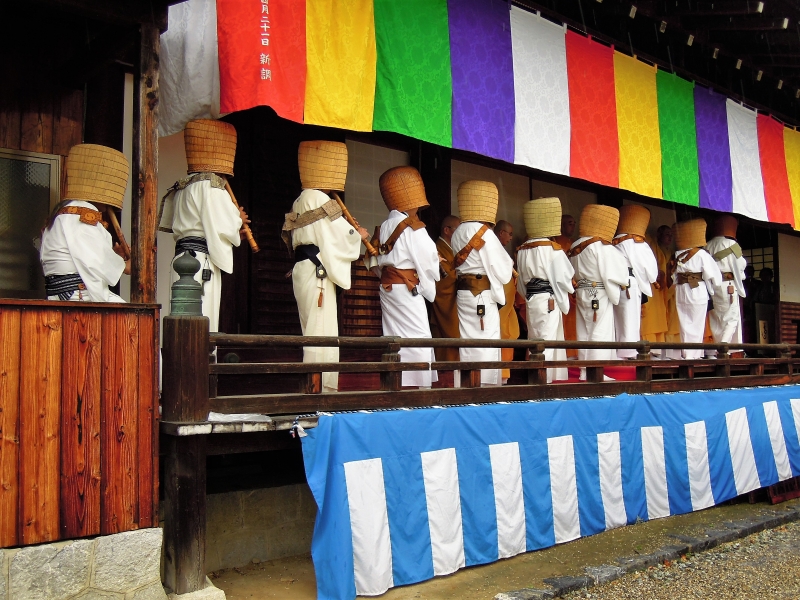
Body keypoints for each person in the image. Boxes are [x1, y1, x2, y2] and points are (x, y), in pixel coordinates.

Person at [283, 141, 369, 392]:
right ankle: (320, 389)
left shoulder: (300, 199)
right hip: (317, 271)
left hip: (304, 268)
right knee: (321, 331)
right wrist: (358, 234)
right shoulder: (320, 198)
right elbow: (338, 233)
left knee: (312, 329)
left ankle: (315, 385)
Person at [159, 119, 248, 332]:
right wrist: (239, 221)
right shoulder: (210, 185)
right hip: (199, 262)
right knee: (202, 319)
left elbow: (205, 223)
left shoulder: (183, 185)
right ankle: (199, 364)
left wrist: (235, 230)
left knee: (183, 321)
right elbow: (221, 224)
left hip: (182, 258)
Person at [371, 166, 440, 388]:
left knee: (393, 336)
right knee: (418, 336)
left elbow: (372, 261)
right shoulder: (413, 228)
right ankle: (421, 387)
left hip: (388, 288)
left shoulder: (383, 227)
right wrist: (427, 286)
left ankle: (396, 382)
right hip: (407, 288)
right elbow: (428, 259)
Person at [40, 144, 130, 302]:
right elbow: (96, 262)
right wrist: (127, 265)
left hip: (65, 295)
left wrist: (116, 257)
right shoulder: (81, 215)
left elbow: (85, 255)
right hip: (77, 296)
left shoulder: (65, 212)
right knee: (131, 321)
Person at [451, 181, 513, 386]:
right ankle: (484, 385)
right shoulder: (483, 232)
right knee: (486, 337)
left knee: (467, 340)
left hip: (463, 293)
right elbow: (503, 271)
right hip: (482, 294)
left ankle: (467, 383)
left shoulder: (458, 231)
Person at [516, 197, 575, 382]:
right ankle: (545, 382)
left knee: (535, 340)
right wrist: (569, 289)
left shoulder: (523, 250)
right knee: (547, 341)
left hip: (532, 299)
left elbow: (520, 284)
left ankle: (538, 379)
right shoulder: (553, 249)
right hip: (548, 300)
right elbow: (566, 275)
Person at [567, 204, 629, 379]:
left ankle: (584, 372)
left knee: (584, 332)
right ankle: (595, 373)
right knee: (598, 332)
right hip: (598, 293)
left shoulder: (575, 245)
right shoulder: (601, 246)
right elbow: (619, 272)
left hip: (582, 291)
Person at [672, 219, 723, 359]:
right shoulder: (701, 254)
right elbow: (715, 277)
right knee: (697, 323)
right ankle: (695, 354)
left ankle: (687, 353)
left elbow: (674, 276)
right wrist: (712, 289)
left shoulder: (678, 254)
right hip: (697, 290)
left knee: (684, 323)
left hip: (681, 290)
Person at [611, 205, 658, 359]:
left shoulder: (614, 241)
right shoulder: (638, 243)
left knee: (618, 319)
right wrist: (651, 279)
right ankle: (629, 351)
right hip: (630, 283)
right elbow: (651, 270)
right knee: (630, 318)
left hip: (616, 283)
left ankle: (619, 351)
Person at [705, 215, 747, 349]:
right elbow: (741, 264)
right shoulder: (733, 245)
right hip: (728, 285)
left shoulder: (708, 245)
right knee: (732, 317)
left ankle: (719, 346)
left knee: (716, 317)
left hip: (712, 285)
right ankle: (724, 347)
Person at [431, 215, 462, 364]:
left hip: (456, 301)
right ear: (447, 230)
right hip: (445, 301)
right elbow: (444, 280)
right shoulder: (437, 249)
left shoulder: (452, 249)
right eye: (458, 229)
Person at [494, 220, 521, 384]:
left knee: (508, 335)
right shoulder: (493, 251)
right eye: (509, 234)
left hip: (507, 305)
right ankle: (498, 377)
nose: (511, 238)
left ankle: (503, 377)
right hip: (499, 304)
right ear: (500, 233)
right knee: (500, 335)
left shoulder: (501, 252)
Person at [554, 213, 578, 358]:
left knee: (573, 322)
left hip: (574, 289)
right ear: (561, 225)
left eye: (574, 222)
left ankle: (573, 353)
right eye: (570, 223)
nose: (573, 225)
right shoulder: (556, 244)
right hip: (561, 289)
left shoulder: (575, 244)